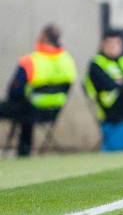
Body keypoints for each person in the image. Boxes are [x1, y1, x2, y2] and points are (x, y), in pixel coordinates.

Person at [0, 24, 76, 156]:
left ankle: (24, 150)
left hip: (30, 109)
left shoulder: (30, 61)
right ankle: (24, 150)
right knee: (24, 109)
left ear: (44, 38)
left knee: (21, 107)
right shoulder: (67, 60)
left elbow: (14, 91)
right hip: (53, 111)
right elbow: (68, 87)